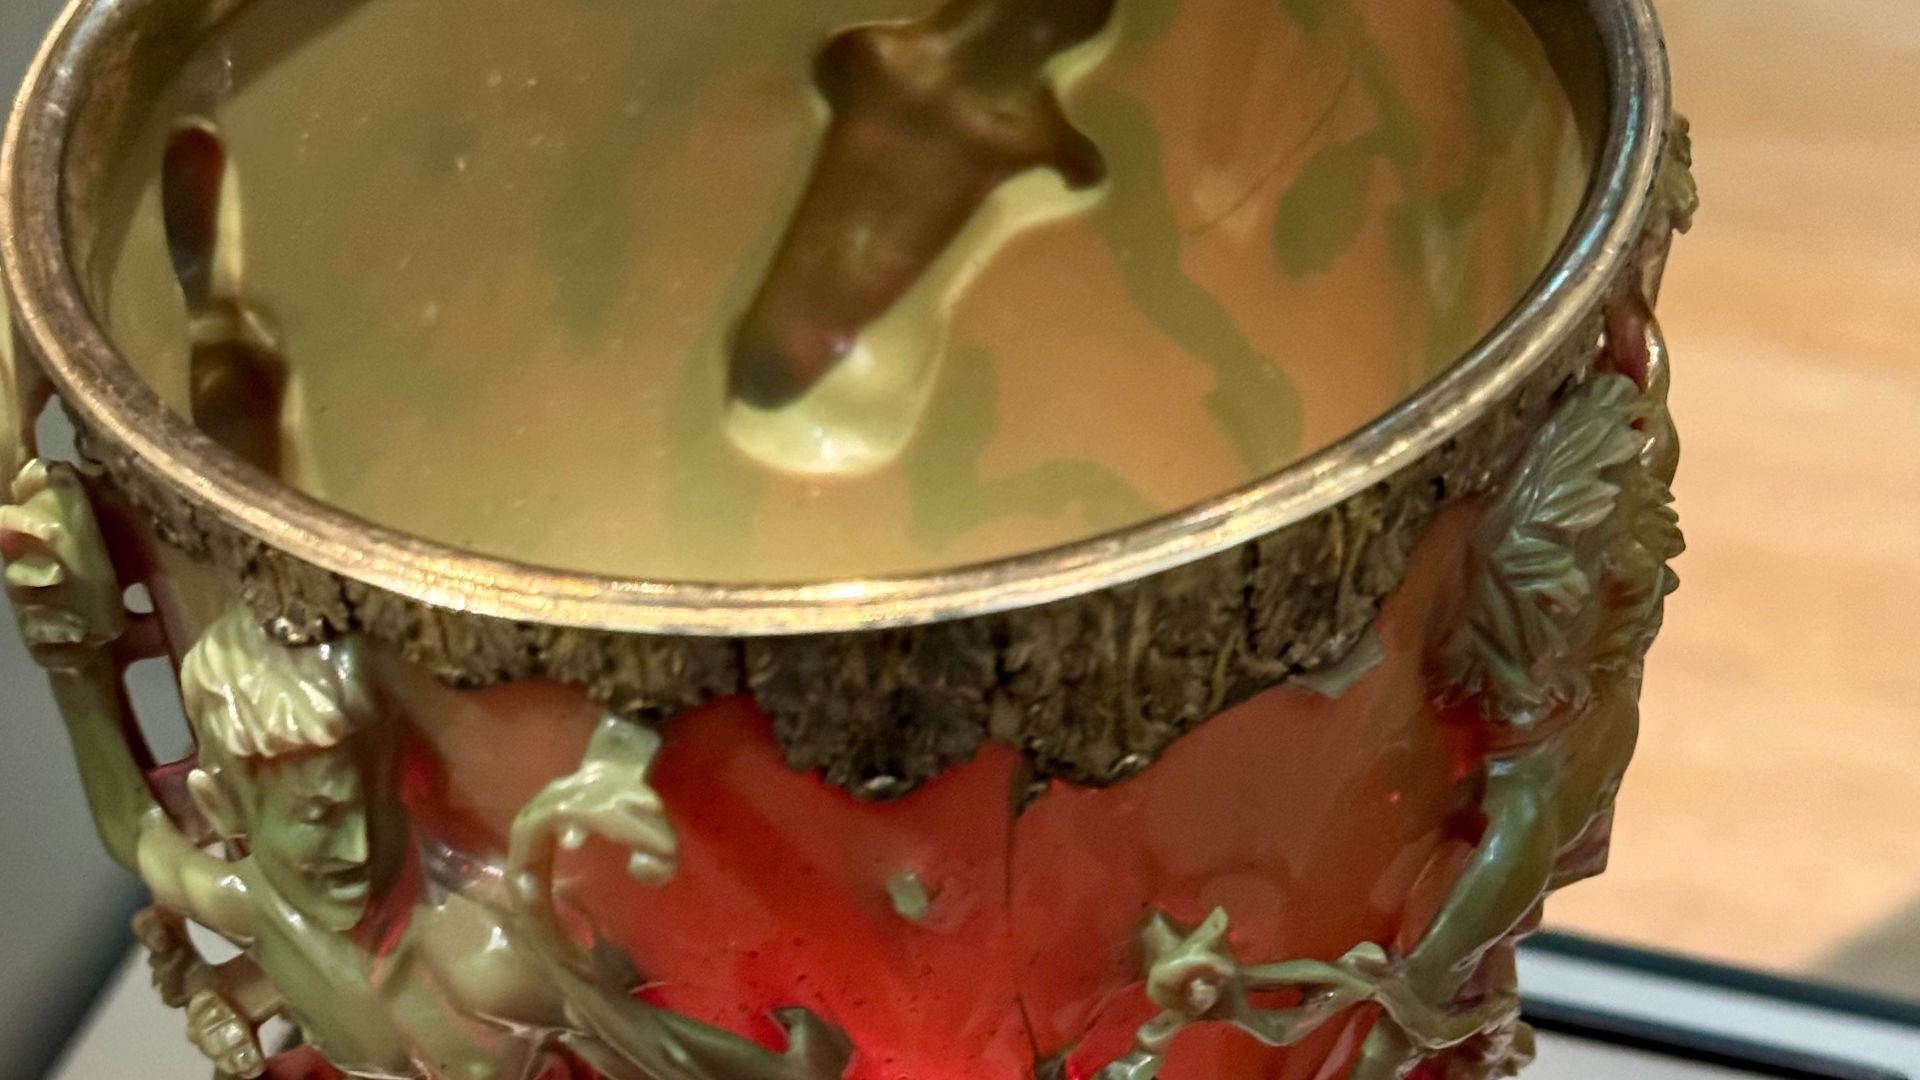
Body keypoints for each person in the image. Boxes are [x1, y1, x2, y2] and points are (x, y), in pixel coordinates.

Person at [2, 458, 850, 1080]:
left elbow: (643, 1046)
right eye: (309, 818)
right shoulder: (255, 909)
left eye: (362, 804)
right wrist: (72, 648)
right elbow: (134, 830)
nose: (352, 842)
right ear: (223, 805)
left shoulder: (479, 955)